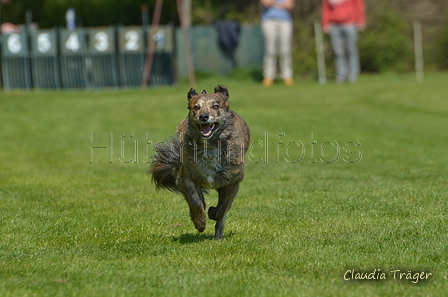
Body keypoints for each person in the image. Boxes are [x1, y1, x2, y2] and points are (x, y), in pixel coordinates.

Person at [321, 0, 366, 83]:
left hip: (350, 23)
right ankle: (341, 75)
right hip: (334, 25)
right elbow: (325, 8)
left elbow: (358, 5)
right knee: (338, 52)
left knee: (351, 50)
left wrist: (360, 20)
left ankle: (353, 75)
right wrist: (325, 23)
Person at [260, 0, 295, 87]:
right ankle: (268, 76)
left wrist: (274, 3)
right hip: (269, 20)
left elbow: (290, 5)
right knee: (270, 50)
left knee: (285, 51)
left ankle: (287, 76)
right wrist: (281, 4)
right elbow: (266, 3)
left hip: (285, 21)